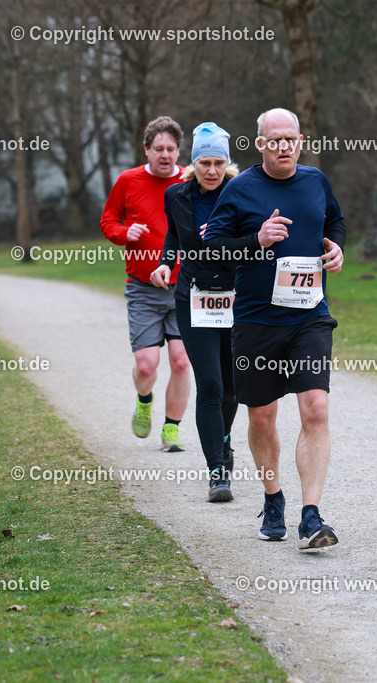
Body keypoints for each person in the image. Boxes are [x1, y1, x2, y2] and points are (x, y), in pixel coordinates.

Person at [203, 108, 347, 550]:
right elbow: (213, 247)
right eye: (275, 140)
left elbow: (335, 221)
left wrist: (337, 247)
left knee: (316, 410)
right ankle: (272, 498)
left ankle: (311, 515)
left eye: (291, 139)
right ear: (260, 144)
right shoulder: (240, 190)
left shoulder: (316, 181)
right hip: (255, 319)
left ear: (300, 141)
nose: (284, 146)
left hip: (309, 315)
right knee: (262, 417)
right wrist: (256, 240)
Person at [151, 122, 240, 502]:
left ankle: (223, 440)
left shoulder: (241, 194)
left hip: (237, 298)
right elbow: (174, 234)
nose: (212, 170)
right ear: (194, 163)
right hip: (195, 296)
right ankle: (217, 470)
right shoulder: (177, 196)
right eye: (205, 161)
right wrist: (164, 263)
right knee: (210, 383)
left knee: (233, 386)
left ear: (227, 164)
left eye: (219, 162)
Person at [100, 116, 190, 452]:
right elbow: (108, 220)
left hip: (184, 287)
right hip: (143, 290)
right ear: (147, 150)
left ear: (179, 150)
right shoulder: (128, 180)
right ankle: (144, 399)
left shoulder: (189, 181)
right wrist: (125, 234)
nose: (165, 155)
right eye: (159, 149)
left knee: (181, 361)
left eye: (171, 149)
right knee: (146, 364)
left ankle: (171, 430)